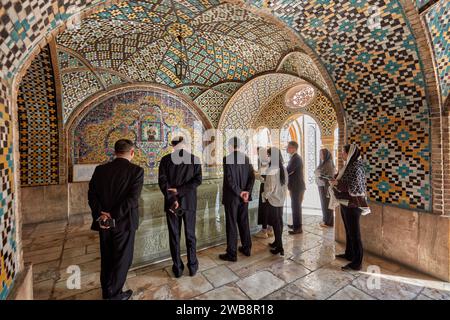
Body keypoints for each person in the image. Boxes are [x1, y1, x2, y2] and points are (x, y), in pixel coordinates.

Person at [88, 139, 144, 300]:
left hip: (103, 222)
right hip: (124, 223)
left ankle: (107, 290)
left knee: (107, 258)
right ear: (132, 152)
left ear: (115, 152)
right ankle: (115, 294)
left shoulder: (100, 169)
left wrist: (102, 214)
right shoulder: (136, 171)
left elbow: (92, 195)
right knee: (122, 259)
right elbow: (132, 200)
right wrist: (113, 214)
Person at [158, 136, 202, 278]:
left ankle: (177, 268)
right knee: (190, 235)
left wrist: (173, 198)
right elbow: (198, 180)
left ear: (172, 145)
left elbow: (163, 182)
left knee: (174, 236)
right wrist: (181, 191)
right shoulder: (195, 159)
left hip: (172, 205)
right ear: (185, 144)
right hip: (189, 203)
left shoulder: (165, 160)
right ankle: (193, 266)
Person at [330, 144, 370, 271]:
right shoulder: (348, 166)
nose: (342, 154)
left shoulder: (356, 167)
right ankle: (349, 254)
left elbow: (354, 187)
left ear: (350, 153)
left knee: (355, 234)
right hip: (345, 203)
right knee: (348, 231)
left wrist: (337, 183)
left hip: (353, 205)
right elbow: (344, 180)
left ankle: (357, 263)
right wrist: (335, 180)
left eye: (343, 152)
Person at [219, 137, 255, 262]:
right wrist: (246, 192)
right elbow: (252, 177)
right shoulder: (246, 158)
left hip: (232, 198)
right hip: (244, 198)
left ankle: (232, 253)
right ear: (239, 146)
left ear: (230, 146)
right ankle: (247, 248)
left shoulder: (226, 159)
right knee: (244, 222)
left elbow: (229, 180)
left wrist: (240, 193)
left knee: (232, 224)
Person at [263, 147, 288, 256]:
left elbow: (270, 187)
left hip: (273, 199)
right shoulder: (283, 168)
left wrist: (265, 196)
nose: (267, 157)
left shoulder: (273, 168)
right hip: (280, 198)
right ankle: (277, 242)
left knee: (276, 222)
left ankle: (280, 247)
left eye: (268, 155)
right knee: (279, 221)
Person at [286, 141, 306, 234]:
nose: (287, 148)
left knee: (296, 207)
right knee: (295, 206)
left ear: (294, 148)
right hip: (295, 186)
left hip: (297, 186)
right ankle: (295, 224)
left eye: (289, 147)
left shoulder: (296, 158)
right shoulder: (293, 157)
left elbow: (289, 170)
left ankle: (298, 228)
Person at [254, 147, 273, 239]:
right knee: (269, 208)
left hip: (265, 187)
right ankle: (270, 229)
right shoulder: (270, 161)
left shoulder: (264, 162)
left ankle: (264, 231)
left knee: (264, 208)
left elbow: (262, 176)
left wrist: (254, 174)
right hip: (270, 187)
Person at [314, 148, 336, 228]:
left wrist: (319, 175)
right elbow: (316, 171)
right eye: (320, 154)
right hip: (321, 186)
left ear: (326, 155)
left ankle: (329, 222)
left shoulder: (328, 163)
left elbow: (330, 176)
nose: (320, 156)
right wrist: (318, 174)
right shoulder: (323, 163)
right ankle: (325, 220)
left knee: (327, 204)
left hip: (326, 187)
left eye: (322, 154)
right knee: (324, 204)